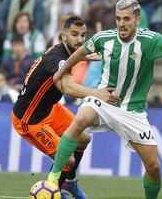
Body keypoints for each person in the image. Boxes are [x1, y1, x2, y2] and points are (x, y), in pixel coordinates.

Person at [48, 0, 162, 199]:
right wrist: (60, 72)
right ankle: (53, 180)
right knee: (80, 120)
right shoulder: (103, 38)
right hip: (104, 100)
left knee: (153, 166)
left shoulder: (150, 40)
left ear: (137, 20)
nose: (121, 23)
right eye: (118, 18)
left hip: (133, 111)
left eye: (127, 19)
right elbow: (78, 54)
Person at [11, 16, 119, 199]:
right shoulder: (57, 59)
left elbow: (75, 57)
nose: (79, 39)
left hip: (49, 109)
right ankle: (55, 192)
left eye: (83, 35)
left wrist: (87, 56)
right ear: (63, 36)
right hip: (29, 119)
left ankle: (70, 183)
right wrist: (96, 93)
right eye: (74, 34)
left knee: (84, 138)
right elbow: (68, 88)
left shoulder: (67, 53)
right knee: (67, 160)